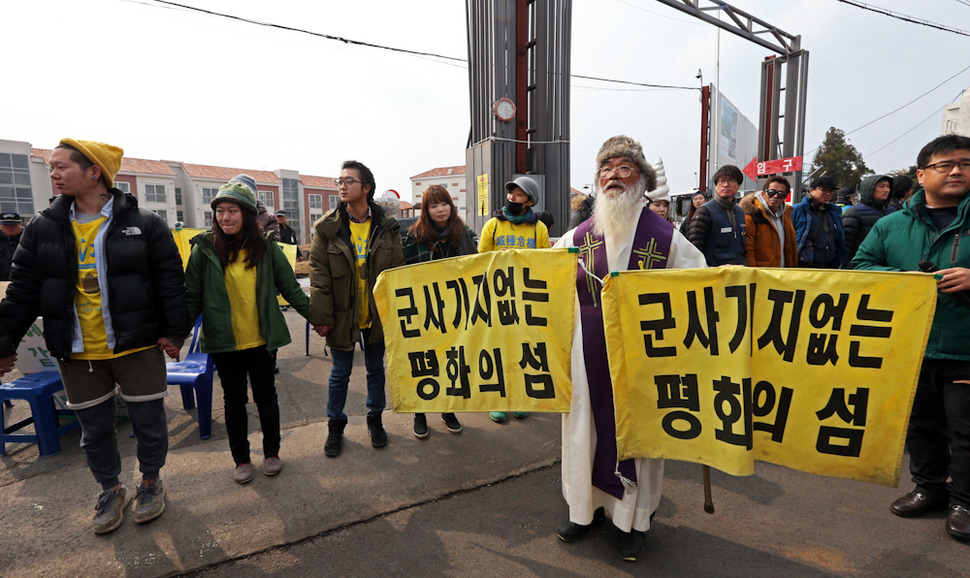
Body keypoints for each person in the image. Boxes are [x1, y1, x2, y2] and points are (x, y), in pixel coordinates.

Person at [0, 138, 189, 534]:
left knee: (149, 421)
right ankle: (110, 488)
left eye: (61, 166)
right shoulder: (42, 229)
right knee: (95, 429)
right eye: (51, 167)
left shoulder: (144, 224)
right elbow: (21, 292)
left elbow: (170, 281)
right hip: (76, 350)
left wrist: (173, 332)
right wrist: (4, 344)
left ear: (93, 172)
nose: (53, 173)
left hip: (135, 345)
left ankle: (151, 482)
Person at [553, 135, 707, 561]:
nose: (613, 177)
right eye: (606, 169)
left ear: (642, 180)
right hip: (586, 359)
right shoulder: (577, 237)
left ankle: (632, 522)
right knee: (585, 431)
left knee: (635, 439)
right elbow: (545, 281)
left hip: (643, 363)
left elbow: (700, 286)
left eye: (624, 169)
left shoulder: (667, 239)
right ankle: (583, 512)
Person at [852, 134, 970, 541]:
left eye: (965, 164)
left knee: (965, 428)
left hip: (963, 345)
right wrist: (900, 281)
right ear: (921, 175)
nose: (956, 171)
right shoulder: (891, 225)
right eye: (945, 164)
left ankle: (964, 502)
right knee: (920, 423)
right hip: (909, 345)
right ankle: (928, 488)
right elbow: (861, 268)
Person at [185, 178, 316, 484]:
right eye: (220, 211)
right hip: (224, 343)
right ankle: (241, 459)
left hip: (262, 340)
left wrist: (318, 319)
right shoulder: (204, 249)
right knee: (233, 402)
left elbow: (292, 290)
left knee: (266, 397)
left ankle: (271, 453)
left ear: (246, 214)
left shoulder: (267, 249)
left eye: (232, 210)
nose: (225, 217)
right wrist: (176, 336)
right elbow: (191, 296)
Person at [309, 160, 405, 457]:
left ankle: (375, 419)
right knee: (340, 373)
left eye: (349, 180)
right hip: (342, 314)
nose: (342, 185)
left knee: (376, 370)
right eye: (340, 180)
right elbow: (319, 275)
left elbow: (397, 272)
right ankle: (335, 425)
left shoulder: (387, 227)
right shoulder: (327, 229)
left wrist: (397, 314)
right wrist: (322, 317)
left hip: (376, 314)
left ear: (366, 188)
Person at [402, 185, 477, 438]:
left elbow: (477, 266)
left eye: (443, 203)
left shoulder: (464, 232)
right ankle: (420, 413)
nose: (440, 209)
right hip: (425, 311)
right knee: (424, 363)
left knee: (452, 362)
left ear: (451, 205)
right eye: (433, 205)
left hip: (457, 311)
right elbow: (406, 275)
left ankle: (448, 410)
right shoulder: (414, 236)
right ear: (426, 210)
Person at [478, 175, 551, 423]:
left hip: (525, 298)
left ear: (529, 201)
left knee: (524, 348)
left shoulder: (538, 229)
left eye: (518, 195)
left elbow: (545, 263)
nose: (512, 198)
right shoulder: (493, 225)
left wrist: (520, 258)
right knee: (497, 348)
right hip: (497, 298)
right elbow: (480, 261)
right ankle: (499, 399)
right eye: (511, 193)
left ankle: (520, 397)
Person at [688, 165, 746, 266]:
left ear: (739, 185)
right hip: (715, 275)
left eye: (731, 180)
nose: (726, 184)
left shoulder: (740, 212)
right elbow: (694, 250)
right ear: (716, 185)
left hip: (739, 275)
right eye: (722, 181)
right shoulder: (705, 212)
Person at [739, 176, 798, 267]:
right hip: (762, 275)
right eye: (771, 192)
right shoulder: (751, 215)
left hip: (783, 275)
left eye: (781, 194)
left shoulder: (786, 215)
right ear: (763, 193)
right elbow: (747, 250)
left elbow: (790, 249)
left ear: (785, 197)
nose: (775, 196)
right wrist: (752, 276)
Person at [841, 174, 896, 268]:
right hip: (862, 267)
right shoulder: (854, 212)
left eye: (888, 186)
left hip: (888, 267)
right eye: (881, 186)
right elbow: (846, 245)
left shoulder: (893, 212)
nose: (886, 190)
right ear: (869, 189)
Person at [792, 175, 845, 268]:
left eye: (831, 191)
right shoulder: (797, 210)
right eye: (824, 190)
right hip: (803, 267)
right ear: (811, 190)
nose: (828, 194)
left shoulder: (834, 212)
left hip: (829, 267)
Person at [0, 211, 24, 281]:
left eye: (13, 225)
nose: (10, 228)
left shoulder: (29, 241)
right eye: (6, 225)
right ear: (0, 226)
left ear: (21, 224)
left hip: (23, 283)